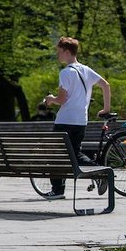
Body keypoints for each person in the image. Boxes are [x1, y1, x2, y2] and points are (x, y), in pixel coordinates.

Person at [42, 36, 111, 199]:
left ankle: (57, 190)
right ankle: (99, 172)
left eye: (59, 52)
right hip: (81, 121)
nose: (58, 55)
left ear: (67, 52)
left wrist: (50, 99)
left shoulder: (65, 73)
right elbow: (105, 85)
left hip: (65, 120)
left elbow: (62, 100)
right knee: (75, 154)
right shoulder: (86, 70)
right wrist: (106, 108)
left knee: (56, 154)